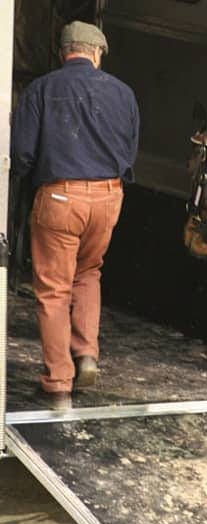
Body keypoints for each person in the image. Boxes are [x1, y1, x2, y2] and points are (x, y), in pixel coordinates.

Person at [11, 20, 140, 409]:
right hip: (108, 196)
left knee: (53, 289)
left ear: (64, 51)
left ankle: (58, 383)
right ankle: (85, 355)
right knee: (89, 272)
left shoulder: (42, 88)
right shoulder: (124, 93)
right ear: (97, 53)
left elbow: (21, 154)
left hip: (61, 199)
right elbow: (130, 154)